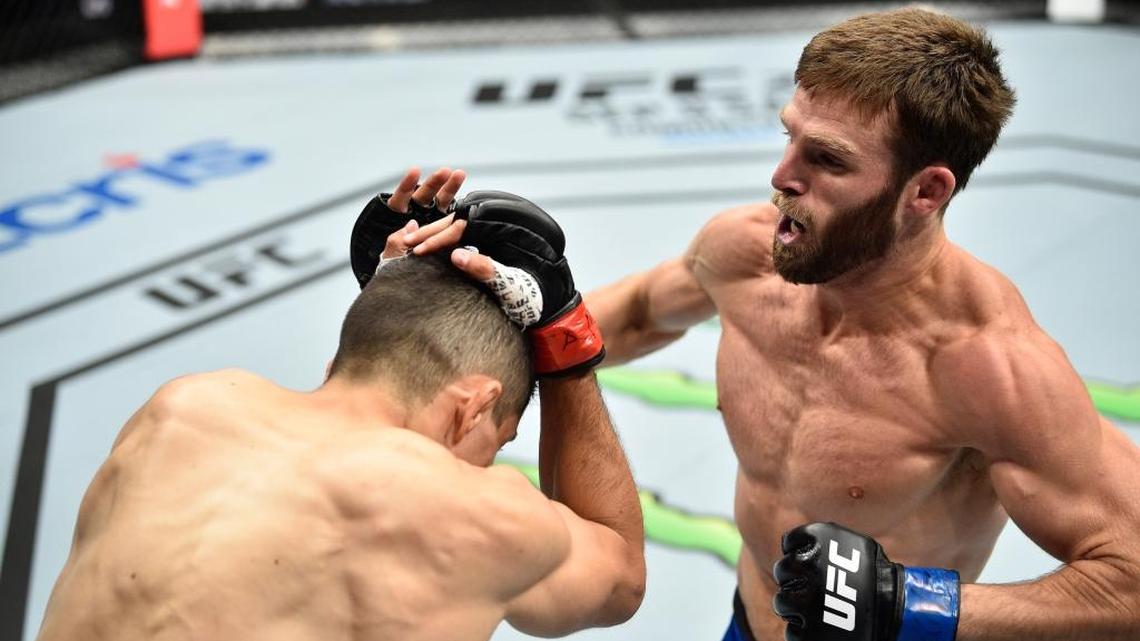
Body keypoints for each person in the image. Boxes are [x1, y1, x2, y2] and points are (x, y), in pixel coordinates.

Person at [402, 7, 1140, 641]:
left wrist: (912, 605)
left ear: (926, 191)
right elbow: (621, 319)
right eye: (791, 137)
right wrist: (466, 287)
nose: (782, 176)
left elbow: (1129, 582)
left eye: (826, 159)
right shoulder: (745, 254)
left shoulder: (988, 365)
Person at [34, 179, 646, 641]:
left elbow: (344, 405)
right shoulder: (470, 513)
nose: (486, 466)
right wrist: (567, 334)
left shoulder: (180, 410)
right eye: (500, 440)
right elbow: (618, 577)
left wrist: (392, 295)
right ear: (473, 409)